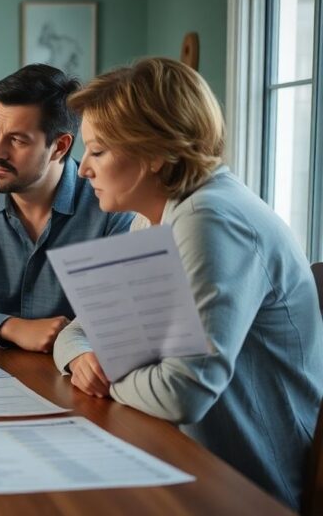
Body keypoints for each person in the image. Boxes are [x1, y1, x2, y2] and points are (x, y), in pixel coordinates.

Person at [53, 57, 323, 509]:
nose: (82, 169)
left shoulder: (210, 219)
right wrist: (83, 356)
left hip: (242, 489)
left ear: (157, 153)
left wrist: (106, 374)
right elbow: (77, 331)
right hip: (178, 457)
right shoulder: (155, 215)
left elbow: (183, 394)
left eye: (97, 151)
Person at [0, 64, 133, 352]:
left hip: (75, 377)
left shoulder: (110, 208)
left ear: (60, 147)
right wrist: (11, 327)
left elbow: (122, 319)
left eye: (17, 140)